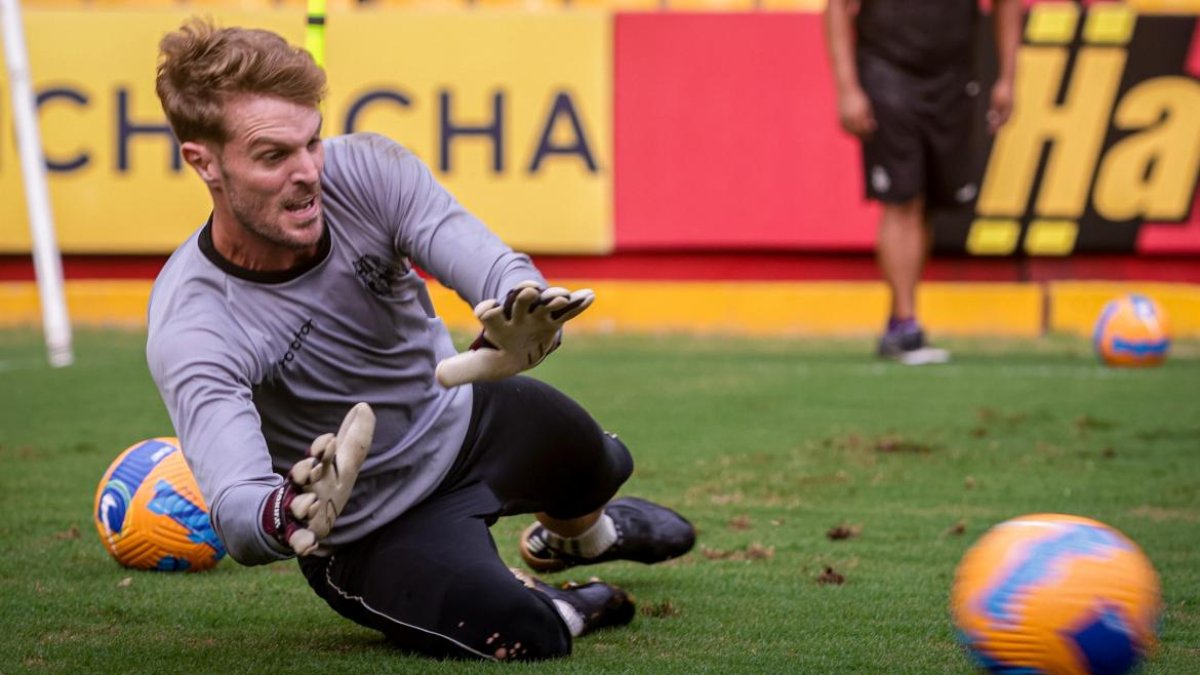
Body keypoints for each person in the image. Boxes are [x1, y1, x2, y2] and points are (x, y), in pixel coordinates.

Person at [146, 18, 695, 662]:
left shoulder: (368, 170)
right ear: (203, 162)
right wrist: (288, 510)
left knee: (600, 464)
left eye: (312, 142)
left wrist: (527, 305)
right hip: (370, 524)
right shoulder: (194, 322)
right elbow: (238, 509)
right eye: (273, 156)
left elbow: (482, 258)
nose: (308, 173)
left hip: (461, 420)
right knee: (528, 635)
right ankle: (547, 599)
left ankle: (581, 539)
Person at [825, 0, 1020, 364]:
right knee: (903, 198)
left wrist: (1008, 77)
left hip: (955, 76)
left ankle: (901, 320)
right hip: (886, 69)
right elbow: (837, 6)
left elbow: (1007, 5)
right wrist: (847, 87)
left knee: (928, 202)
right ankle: (905, 325)